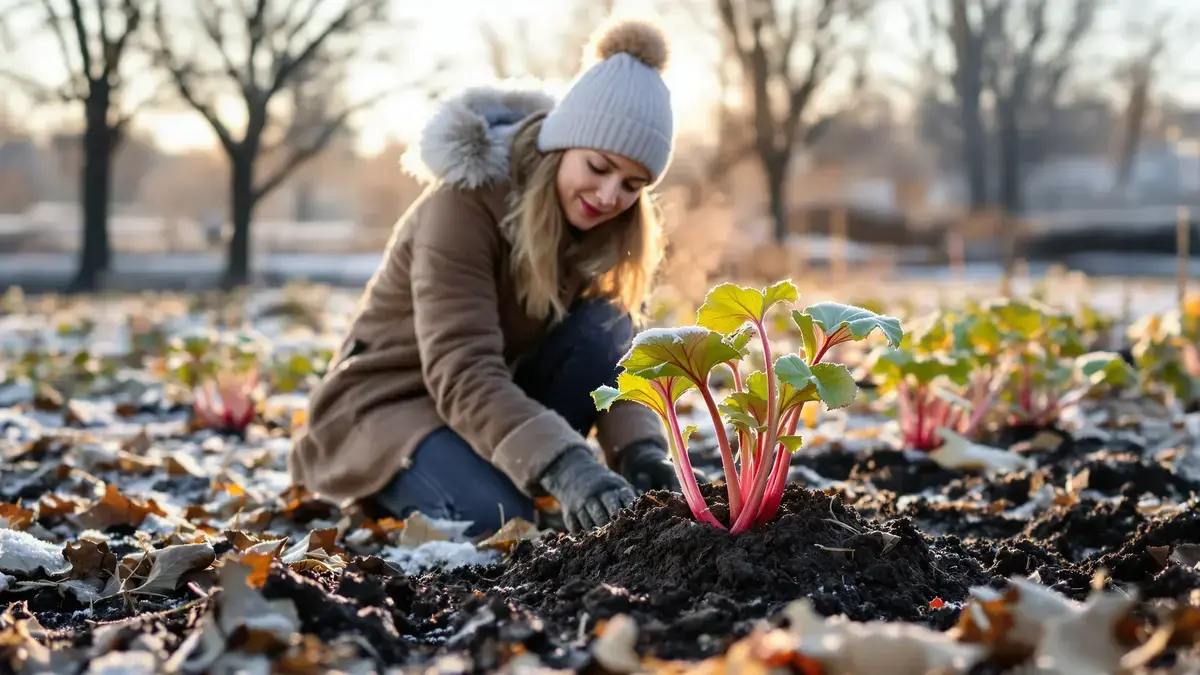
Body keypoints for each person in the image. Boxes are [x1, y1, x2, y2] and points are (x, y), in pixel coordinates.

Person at [288, 18, 694, 537]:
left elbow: (614, 360)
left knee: (608, 325)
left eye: (632, 184)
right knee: (500, 522)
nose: (611, 195)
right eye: (598, 166)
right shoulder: (462, 206)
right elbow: (461, 370)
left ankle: (512, 469)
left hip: (485, 404)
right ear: (561, 144)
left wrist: (644, 457)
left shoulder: (597, 225)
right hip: (390, 407)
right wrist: (566, 466)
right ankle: (415, 482)